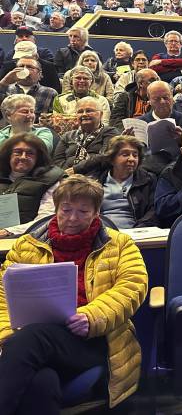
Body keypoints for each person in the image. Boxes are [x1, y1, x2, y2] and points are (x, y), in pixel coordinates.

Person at [0, 174, 147, 413]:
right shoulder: (26, 246)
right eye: (66, 210)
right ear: (55, 209)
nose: (72, 219)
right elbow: (2, 295)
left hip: (96, 341)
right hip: (31, 343)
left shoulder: (119, 244)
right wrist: (7, 336)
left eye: (82, 212)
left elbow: (133, 287)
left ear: (96, 213)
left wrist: (91, 316)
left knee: (31, 339)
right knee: (41, 383)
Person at [0, 133, 65, 238]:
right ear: (8, 155)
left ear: (38, 157)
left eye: (30, 153)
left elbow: (45, 219)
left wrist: (8, 231)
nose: (23, 157)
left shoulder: (50, 179)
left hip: (27, 238)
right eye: (18, 152)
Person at [53, 97, 119, 173]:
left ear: (101, 114)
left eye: (89, 111)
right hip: (67, 177)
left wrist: (76, 170)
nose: (84, 114)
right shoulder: (68, 136)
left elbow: (106, 156)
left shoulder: (110, 132)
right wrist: (66, 174)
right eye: (80, 112)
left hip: (97, 176)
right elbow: (57, 160)